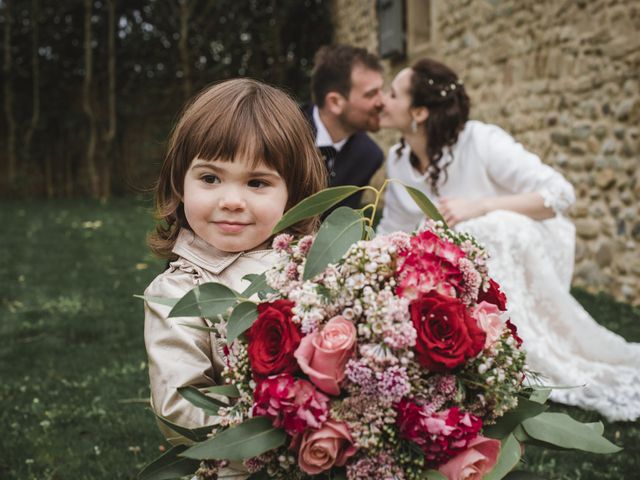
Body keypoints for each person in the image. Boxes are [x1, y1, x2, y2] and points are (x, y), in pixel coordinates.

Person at [377, 58, 640, 422]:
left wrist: (481, 205)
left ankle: (514, 344)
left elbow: (560, 195)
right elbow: (392, 227)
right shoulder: (397, 160)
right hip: (467, 266)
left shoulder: (481, 140)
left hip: (526, 239)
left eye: (392, 94)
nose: (382, 101)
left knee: (487, 227)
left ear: (418, 112)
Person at [144, 78, 327, 451]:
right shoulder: (179, 294)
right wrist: (280, 436)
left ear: (294, 193)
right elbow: (180, 408)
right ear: (180, 182)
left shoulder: (316, 269)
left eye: (257, 183)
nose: (231, 200)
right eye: (210, 178)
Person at [306, 44, 385, 210]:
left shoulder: (369, 156)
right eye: (371, 94)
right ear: (335, 102)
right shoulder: (281, 132)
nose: (382, 102)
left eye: (381, 91)